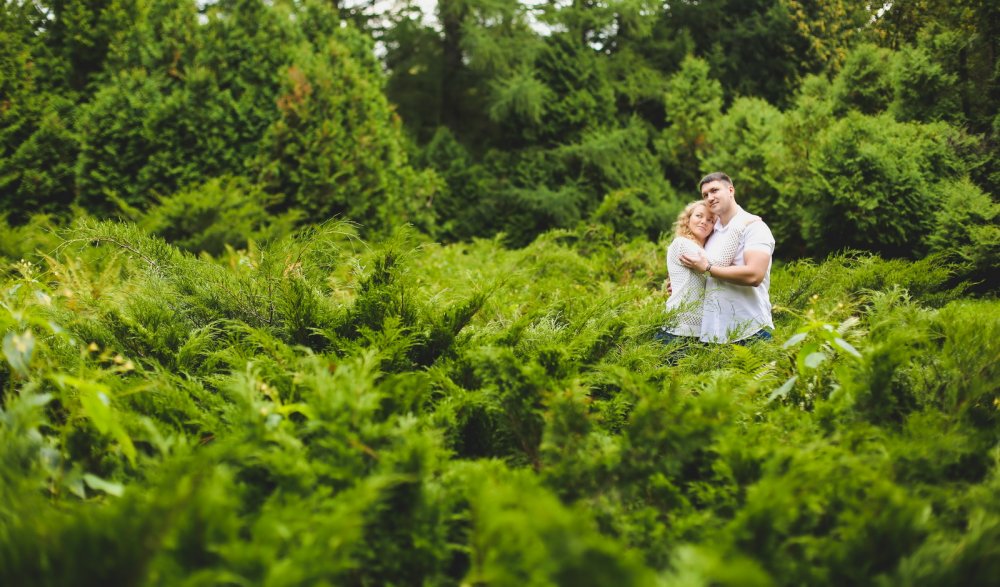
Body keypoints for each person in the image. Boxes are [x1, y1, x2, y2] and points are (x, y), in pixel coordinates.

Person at [679, 172, 775, 344]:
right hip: (713, 335)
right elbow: (707, 273)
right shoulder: (710, 232)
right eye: (705, 195)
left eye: (714, 190)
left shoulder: (754, 227)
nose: (710, 197)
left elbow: (754, 275)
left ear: (731, 190)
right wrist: (685, 284)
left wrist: (708, 269)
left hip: (750, 330)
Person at [656, 200, 759, 345]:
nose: (704, 222)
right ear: (688, 219)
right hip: (677, 330)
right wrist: (739, 225)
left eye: (710, 220)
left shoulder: (704, 250)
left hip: (700, 332)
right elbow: (717, 264)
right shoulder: (682, 243)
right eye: (699, 216)